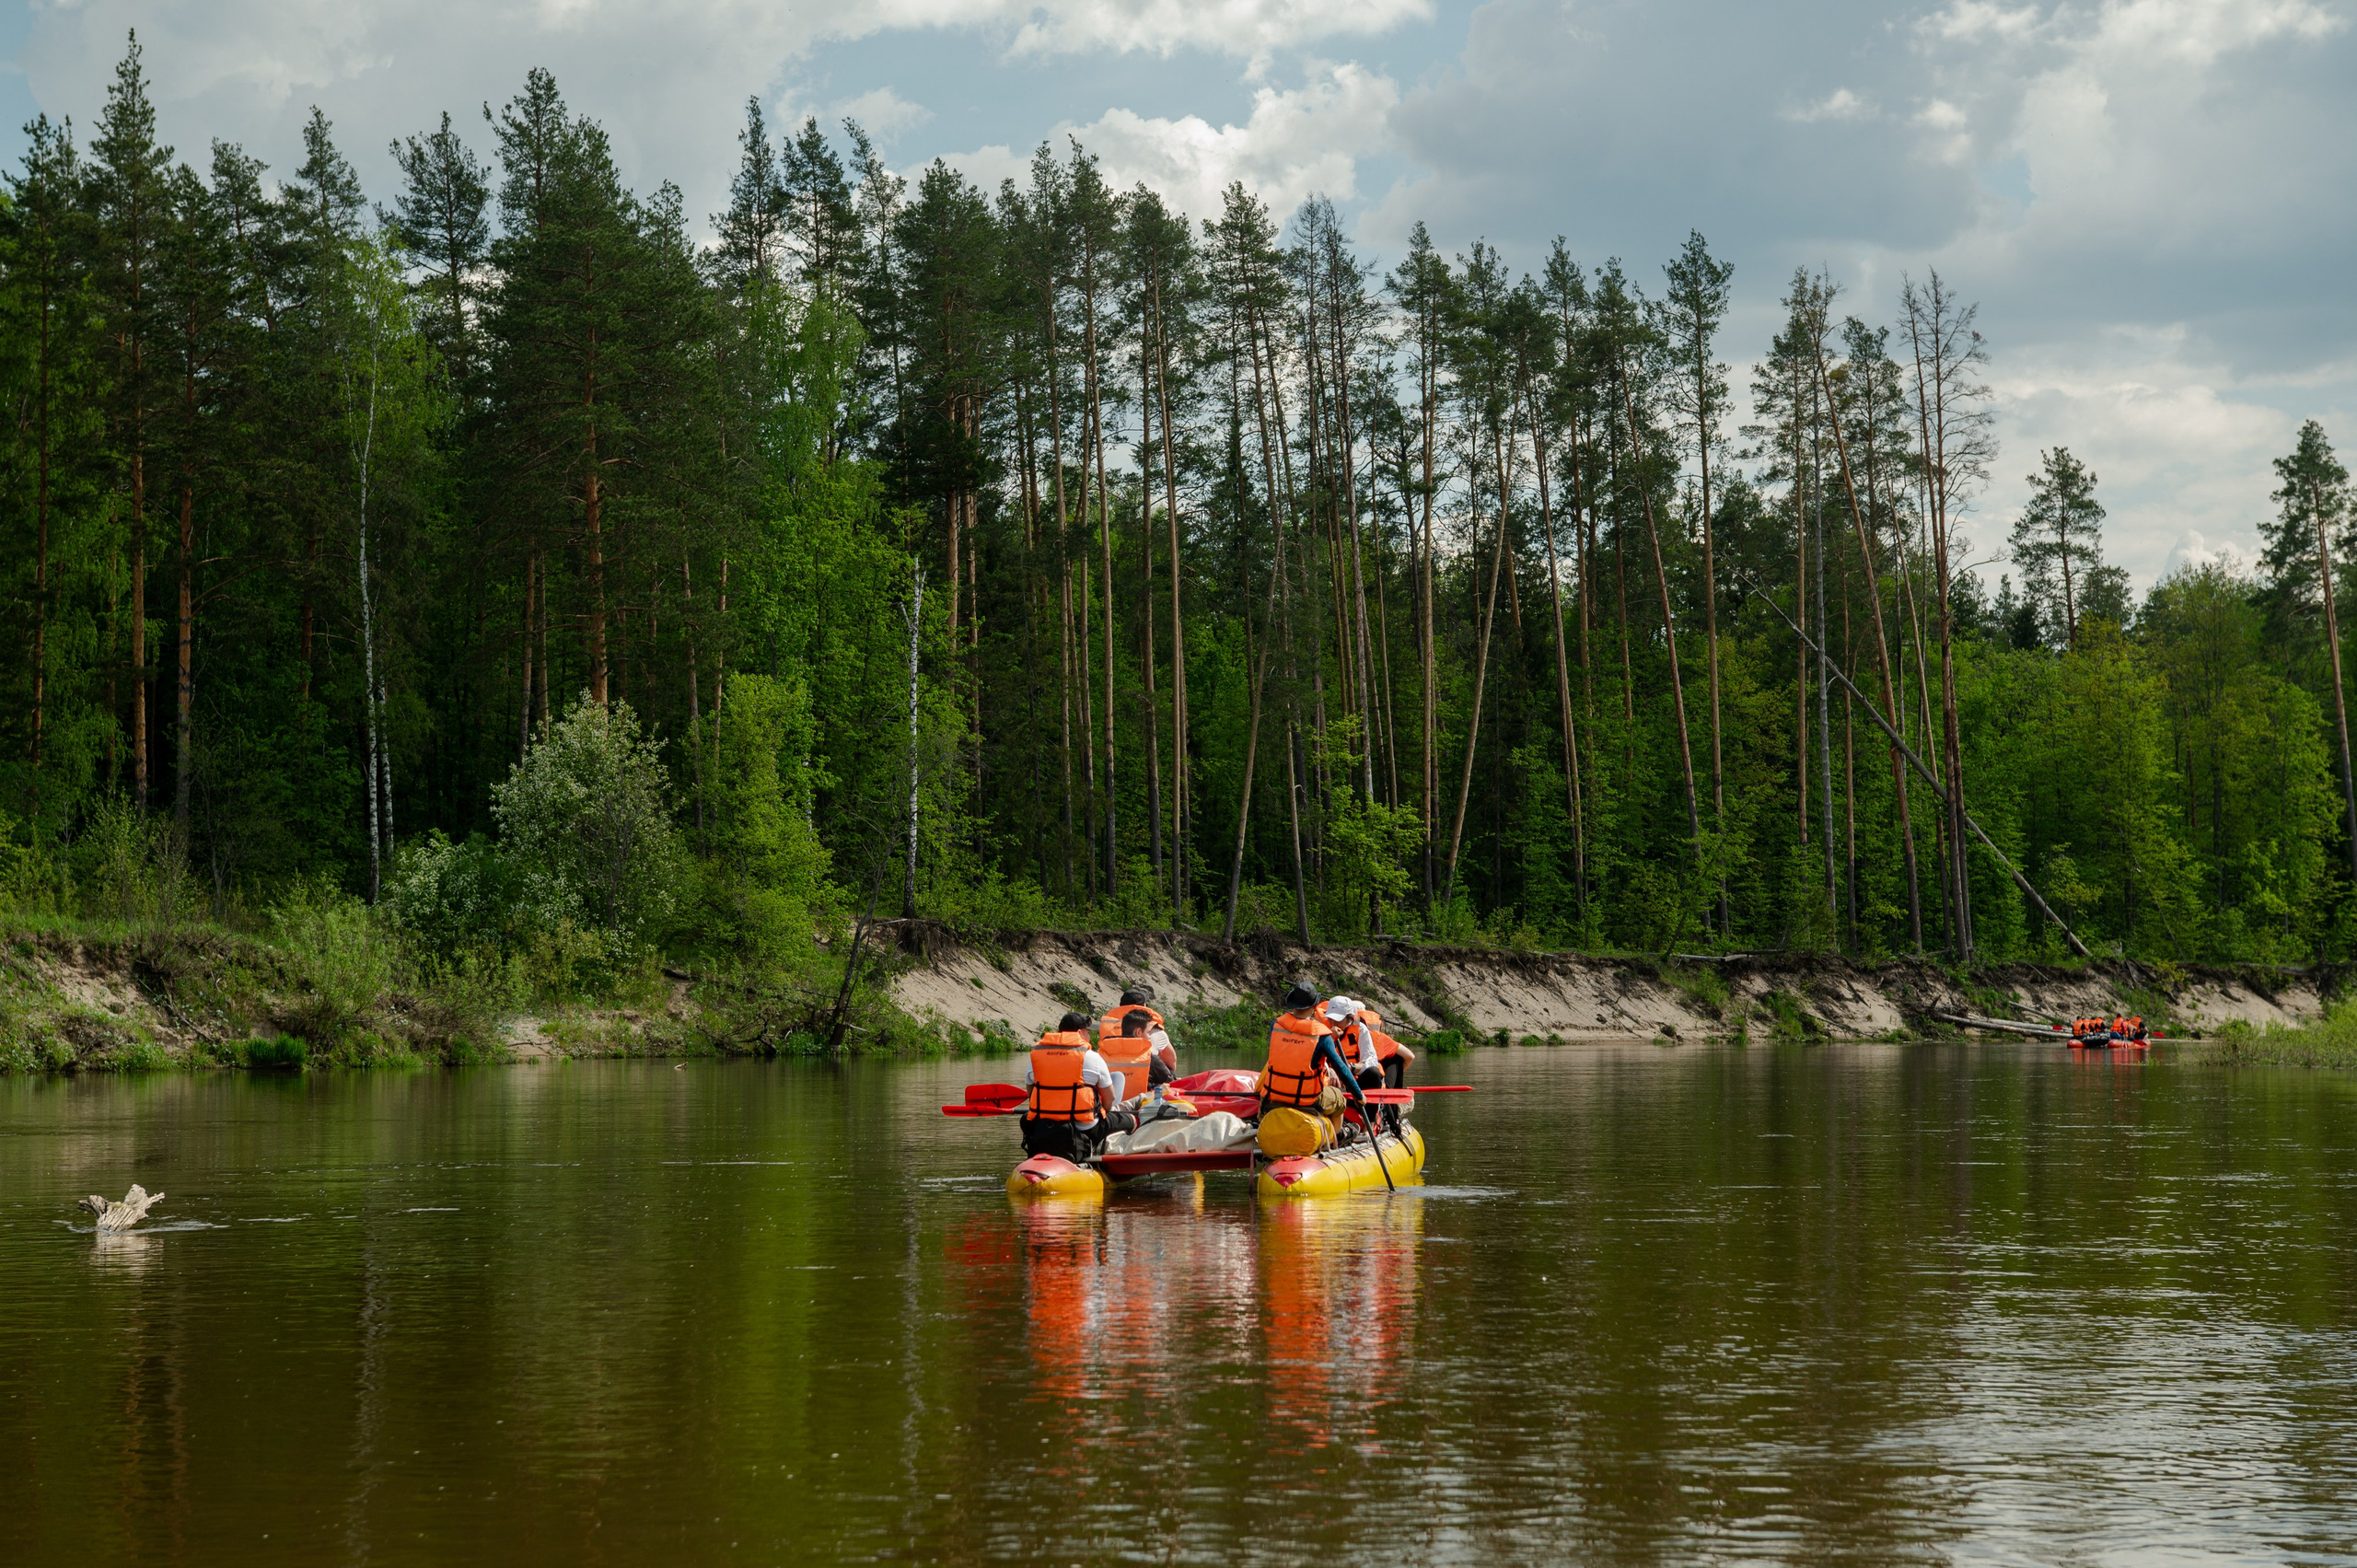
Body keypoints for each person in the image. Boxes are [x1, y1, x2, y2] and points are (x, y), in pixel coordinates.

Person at [1260, 983, 1368, 1150]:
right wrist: (1359, 1095)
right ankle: (1336, 1137)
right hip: (1307, 1099)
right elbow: (1341, 1068)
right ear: (1314, 1006)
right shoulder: (1321, 1034)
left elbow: (1292, 1051)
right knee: (1339, 1098)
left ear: (1293, 1004)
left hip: (1273, 1096)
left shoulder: (1275, 1025)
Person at [1021, 1011, 1138, 1161]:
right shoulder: (1092, 1057)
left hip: (1043, 1124)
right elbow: (1110, 1099)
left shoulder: (1036, 1055)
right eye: (1088, 1033)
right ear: (1079, 1033)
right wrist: (1102, 1112)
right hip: (1085, 1127)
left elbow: (1031, 1095)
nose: (1089, 1037)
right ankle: (1114, 1149)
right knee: (1130, 1120)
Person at [1097, 986, 1178, 1083]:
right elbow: (1172, 1061)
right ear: (1144, 1007)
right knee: (1169, 1073)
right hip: (1143, 1084)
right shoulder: (1156, 1031)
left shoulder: (1107, 1028)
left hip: (1111, 1083)